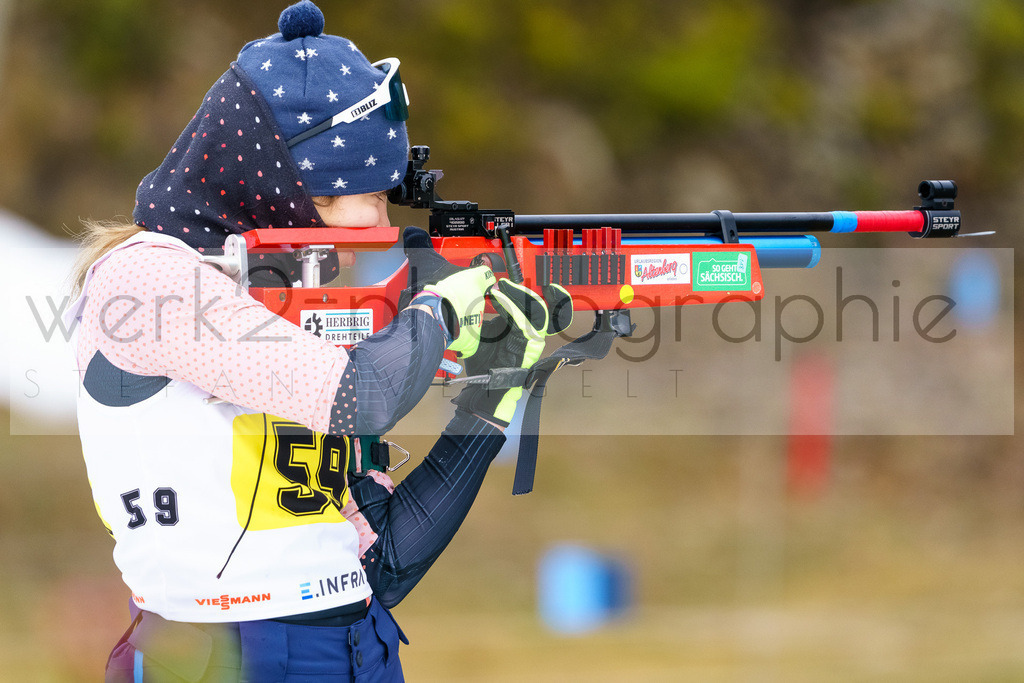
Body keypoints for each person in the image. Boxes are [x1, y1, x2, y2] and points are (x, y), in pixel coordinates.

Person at [66, 1, 565, 680]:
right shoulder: (149, 278)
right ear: (288, 191)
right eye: (372, 195)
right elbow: (362, 395)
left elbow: (380, 564)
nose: (382, 221)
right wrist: (440, 306)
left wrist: (491, 395)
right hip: (217, 656)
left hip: (352, 648)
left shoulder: (296, 321)